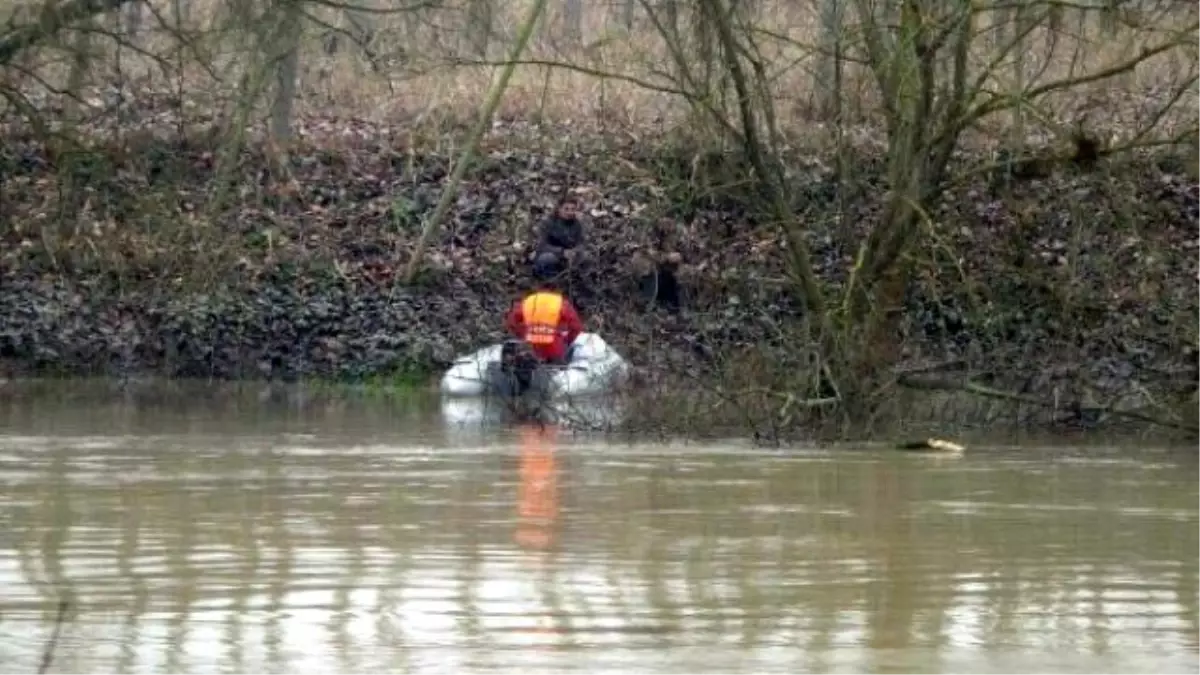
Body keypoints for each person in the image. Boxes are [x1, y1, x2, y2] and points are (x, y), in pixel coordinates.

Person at [504, 263, 584, 366]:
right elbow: (576, 327)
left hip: (531, 348)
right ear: (556, 288)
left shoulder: (527, 301)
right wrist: (567, 341)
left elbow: (511, 322)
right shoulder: (561, 303)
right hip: (554, 348)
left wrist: (522, 334)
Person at [530, 194, 585, 278]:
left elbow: (580, 242)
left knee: (586, 256)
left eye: (573, 209)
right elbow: (541, 245)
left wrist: (575, 251)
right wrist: (562, 252)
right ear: (559, 209)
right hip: (550, 254)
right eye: (566, 209)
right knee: (548, 258)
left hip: (569, 257)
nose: (570, 212)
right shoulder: (548, 222)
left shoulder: (576, 224)